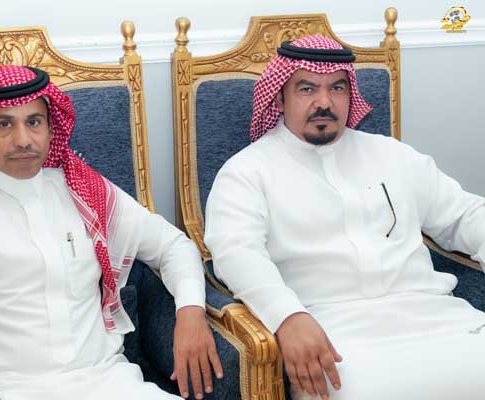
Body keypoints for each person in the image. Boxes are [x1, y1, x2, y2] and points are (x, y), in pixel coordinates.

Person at [0, 65, 222, 400]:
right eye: (4, 124)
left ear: (50, 128)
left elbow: (174, 246)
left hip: (107, 382)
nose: (23, 140)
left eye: (34, 122)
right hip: (0, 389)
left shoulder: (86, 191)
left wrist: (190, 311)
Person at [204, 34, 485, 400]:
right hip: (331, 335)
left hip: (439, 318)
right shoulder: (246, 172)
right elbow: (236, 255)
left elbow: (464, 215)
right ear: (280, 98)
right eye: (307, 89)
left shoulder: (393, 155)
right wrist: (287, 317)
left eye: (336, 88)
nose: (324, 102)